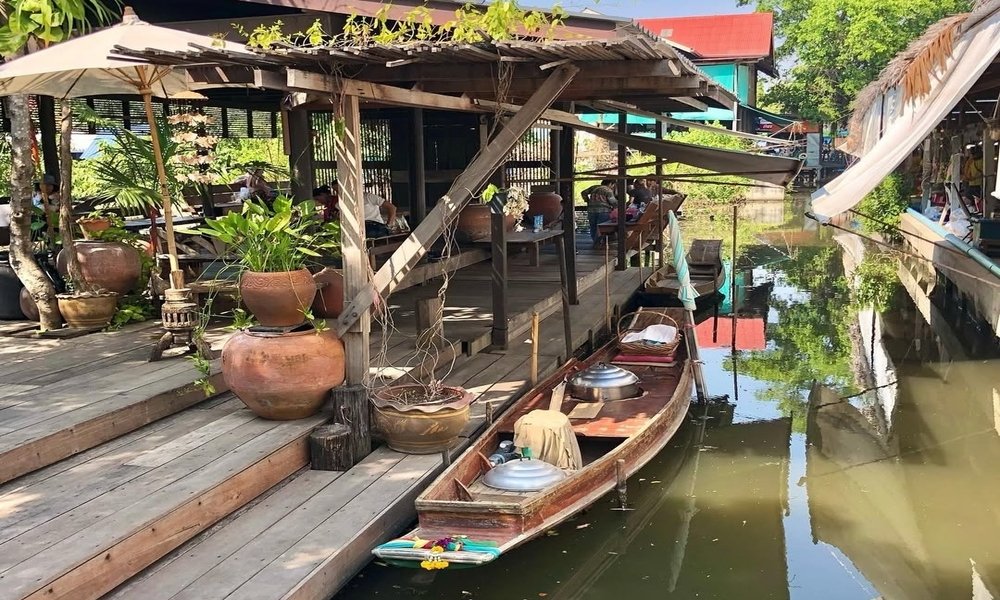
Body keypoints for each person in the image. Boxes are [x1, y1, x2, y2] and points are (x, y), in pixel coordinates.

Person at [581, 178, 615, 244]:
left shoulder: (594, 187)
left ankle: (595, 241)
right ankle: (600, 242)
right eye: (613, 185)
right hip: (604, 211)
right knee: (601, 228)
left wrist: (587, 201)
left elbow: (583, 192)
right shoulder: (608, 190)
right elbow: (613, 202)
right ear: (610, 184)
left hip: (591, 210)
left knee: (593, 226)